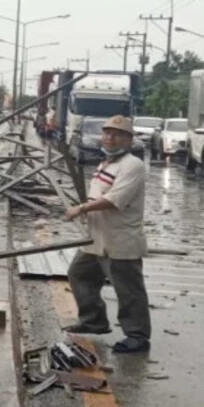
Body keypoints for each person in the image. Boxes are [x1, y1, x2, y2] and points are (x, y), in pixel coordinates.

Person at [64, 115, 152, 354]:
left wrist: (81, 208)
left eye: (118, 134)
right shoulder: (107, 163)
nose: (110, 138)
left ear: (129, 139)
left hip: (119, 240)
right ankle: (94, 321)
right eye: (107, 133)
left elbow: (115, 200)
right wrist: (85, 208)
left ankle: (137, 336)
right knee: (79, 274)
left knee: (128, 290)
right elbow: (98, 194)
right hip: (96, 238)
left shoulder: (132, 165)